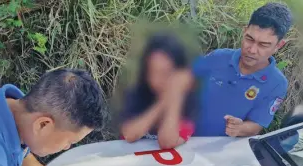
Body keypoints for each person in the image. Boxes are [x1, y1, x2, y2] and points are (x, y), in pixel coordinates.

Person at [192, 2, 293, 137]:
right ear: (245, 31)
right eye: (249, 39)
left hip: (218, 151)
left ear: (278, 45)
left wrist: (240, 128)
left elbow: (256, 124)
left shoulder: (277, 84)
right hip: (181, 139)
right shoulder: (218, 57)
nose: (251, 50)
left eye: (263, 45)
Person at [119, 32, 197, 149]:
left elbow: (167, 142)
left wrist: (174, 95)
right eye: (153, 72)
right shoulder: (136, 94)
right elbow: (129, 134)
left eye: (166, 73)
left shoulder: (187, 104)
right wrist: (163, 102)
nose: (159, 80)